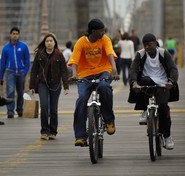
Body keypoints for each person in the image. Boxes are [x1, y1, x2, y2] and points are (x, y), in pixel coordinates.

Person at [68, 18, 120, 147]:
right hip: (85, 74)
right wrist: (75, 74)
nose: (103, 33)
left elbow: (109, 54)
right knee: (81, 100)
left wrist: (114, 69)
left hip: (103, 70)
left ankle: (109, 120)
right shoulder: (81, 42)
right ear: (93, 31)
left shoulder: (105, 39)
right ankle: (80, 136)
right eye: (101, 31)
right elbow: (74, 60)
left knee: (104, 87)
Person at [128, 33, 179, 150]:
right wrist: (134, 83)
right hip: (148, 82)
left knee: (163, 107)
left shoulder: (163, 53)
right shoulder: (140, 54)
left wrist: (171, 82)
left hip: (163, 84)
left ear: (155, 43)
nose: (146, 47)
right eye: (144, 45)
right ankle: (145, 110)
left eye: (149, 45)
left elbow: (173, 68)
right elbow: (133, 69)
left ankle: (167, 136)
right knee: (143, 82)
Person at [29, 33, 69, 140]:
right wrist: (32, 86)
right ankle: (44, 131)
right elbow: (33, 71)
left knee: (53, 109)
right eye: (47, 41)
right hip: (42, 84)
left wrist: (66, 86)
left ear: (55, 42)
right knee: (44, 106)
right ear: (44, 43)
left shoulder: (59, 54)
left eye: (51, 41)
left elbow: (64, 71)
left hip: (55, 84)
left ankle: (53, 131)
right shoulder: (40, 54)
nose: (49, 43)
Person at [0, 27, 30, 118]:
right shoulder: (5, 48)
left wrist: (25, 72)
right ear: (10, 34)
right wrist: (1, 76)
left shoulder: (23, 46)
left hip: (21, 73)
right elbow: (2, 63)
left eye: (17, 34)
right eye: (13, 33)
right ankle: (10, 111)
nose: (15, 35)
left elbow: (27, 60)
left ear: (19, 35)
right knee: (10, 92)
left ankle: (20, 109)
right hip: (10, 73)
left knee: (20, 93)